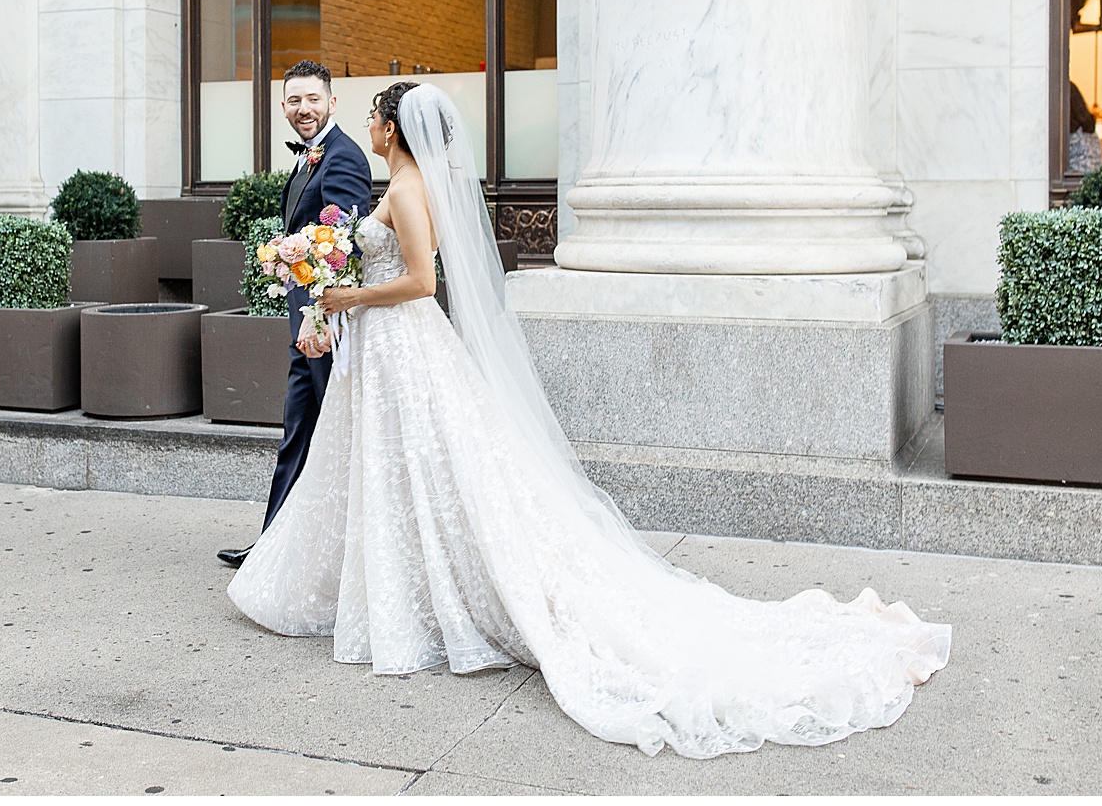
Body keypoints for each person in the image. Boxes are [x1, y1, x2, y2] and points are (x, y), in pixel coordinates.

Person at [228, 81, 951, 759]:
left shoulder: (411, 190)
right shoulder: (406, 184)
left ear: (394, 128)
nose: (371, 129)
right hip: (390, 353)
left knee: (431, 466)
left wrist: (346, 299)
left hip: (407, 344)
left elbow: (422, 282)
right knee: (404, 470)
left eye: (376, 119)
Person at [217, 59, 372, 569]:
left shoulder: (343, 157)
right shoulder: (309, 156)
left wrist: (320, 319)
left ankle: (349, 553)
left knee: (331, 433)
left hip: (322, 324)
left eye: (312, 99)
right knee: (298, 430)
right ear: (283, 106)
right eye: (293, 101)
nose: (303, 109)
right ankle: (273, 546)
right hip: (304, 318)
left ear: (331, 102)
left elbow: (344, 247)